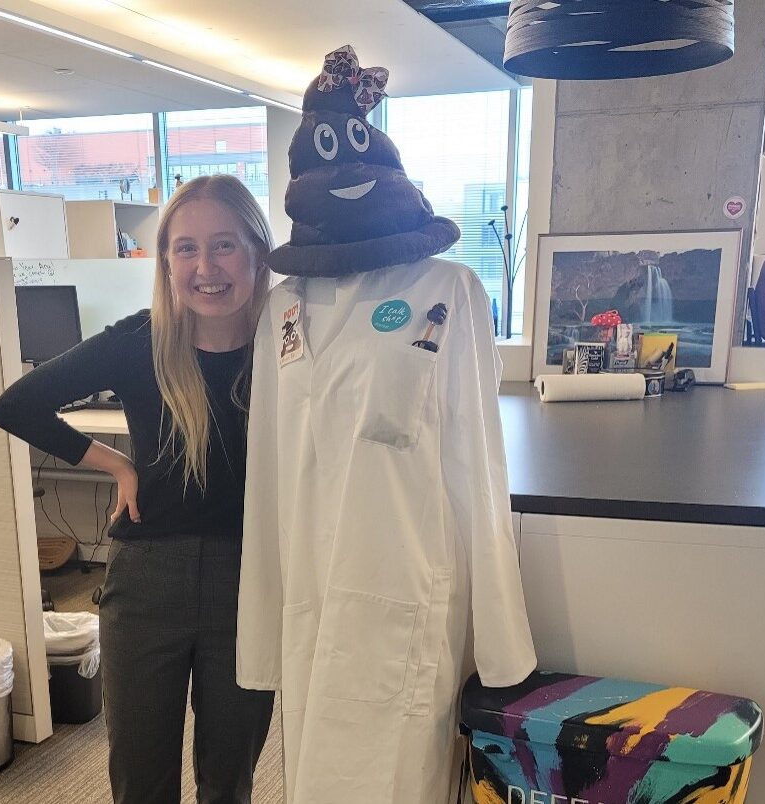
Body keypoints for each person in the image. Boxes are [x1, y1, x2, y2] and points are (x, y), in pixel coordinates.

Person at [236, 46, 536, 803]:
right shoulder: (283, 308)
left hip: (405, 582)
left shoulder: (449, 290)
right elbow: (267, 478)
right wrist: (261, 635)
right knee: (312, 775)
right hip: (310, 589)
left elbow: (478, 459)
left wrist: (500, 642)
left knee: (399, 776)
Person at [0, 174, 275, 804]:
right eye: (185, 248)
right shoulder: (138, 340)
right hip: (147, 579)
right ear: (167, 260)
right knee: (141, 780)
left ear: (258, 252)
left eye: (225, 245)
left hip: (251, 581)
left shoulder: (289, 347)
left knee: (229, 779)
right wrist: (117, 465)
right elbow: (17, 405)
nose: (206, 267)